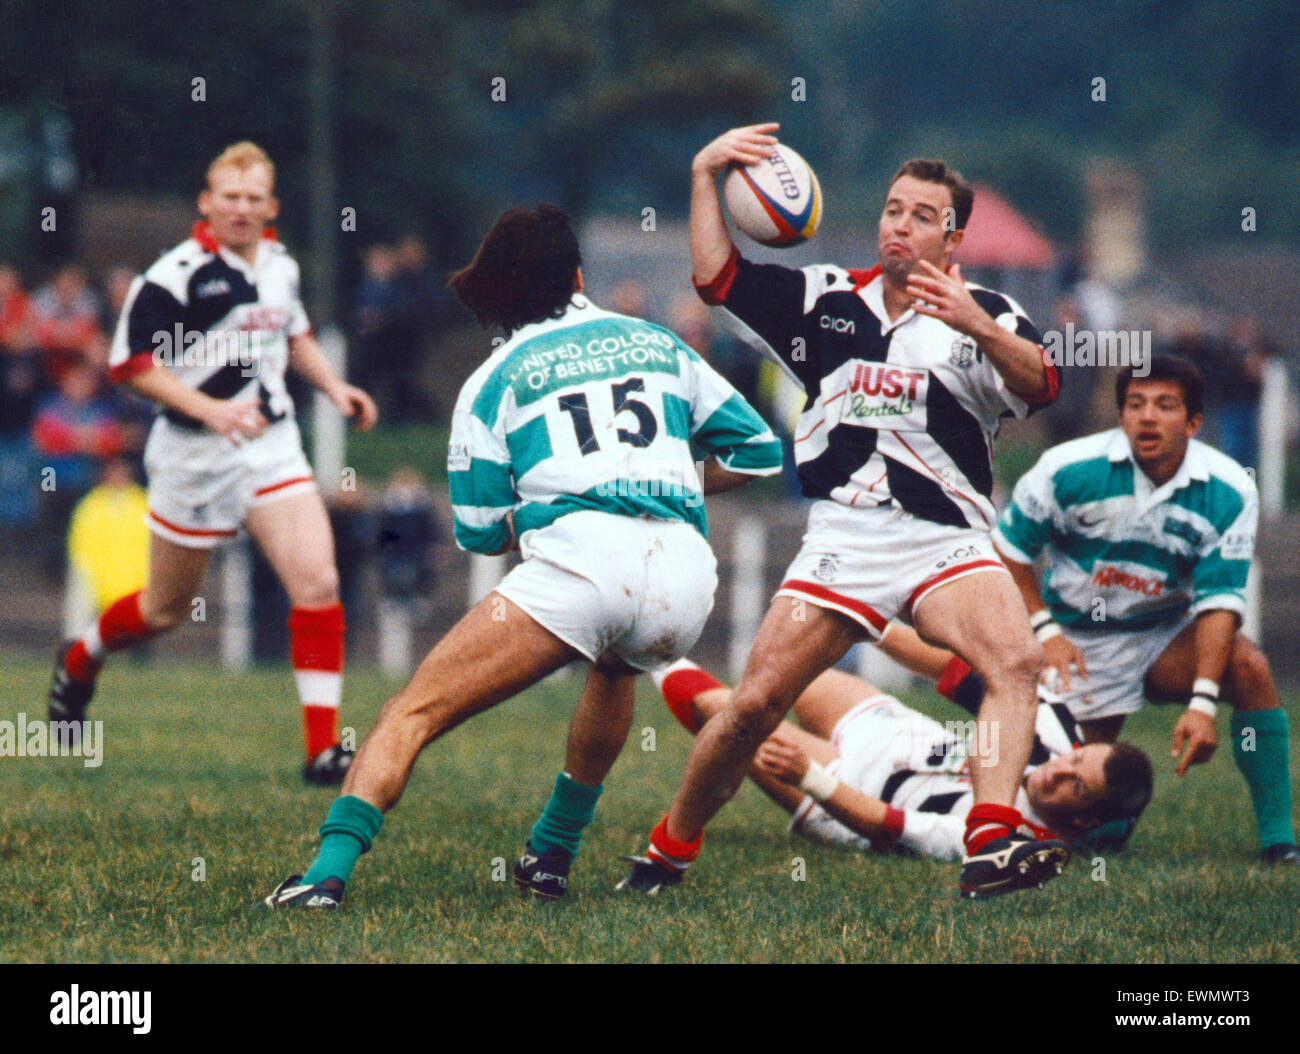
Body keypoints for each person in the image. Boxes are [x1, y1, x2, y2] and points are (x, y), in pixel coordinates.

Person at [264, 203, 782, 908]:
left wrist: (552, 507)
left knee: (409, 715)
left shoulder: (494, 376)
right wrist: (665, 483)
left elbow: (479, 532)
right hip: (687, 580)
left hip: (585, 566)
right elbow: (758, 453)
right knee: (615, 668)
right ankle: (550, 857)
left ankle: (325, 874)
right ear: (576, 275)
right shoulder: (659, 343)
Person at [621, 124, 1066, 900]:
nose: (900, 224)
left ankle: (989, 840)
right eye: (893, 210)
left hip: (947, 540)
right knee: (755, 704)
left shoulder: (987, 312)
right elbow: (716, 277)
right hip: (846, 541)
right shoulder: (822, 299)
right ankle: (669, 848)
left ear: (953, 238)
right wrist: (704, 173)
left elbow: (1041, 385)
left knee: (1016, 662)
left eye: (922, 216)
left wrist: (977, 326)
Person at [48, 141, 378, 785]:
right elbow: (130, 366)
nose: (241, 208)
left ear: (271, 207)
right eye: (230, 196)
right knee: (164, 609)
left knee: (318, 582)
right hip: (192, 456)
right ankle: (81, 657)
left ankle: (321, 752)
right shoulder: (175, 275)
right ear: (206, 202)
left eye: (254, 198)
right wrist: (211, 409)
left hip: (271, 446)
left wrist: (333, 387)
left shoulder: (280, 264)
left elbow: (295, 333)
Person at [993, 355, 1299, 864]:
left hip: (1163, 635)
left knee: (1249, 667)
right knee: (1068, 802)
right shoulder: (1067, 468)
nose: (1147, 417)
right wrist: (1045, 630)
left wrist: (1201, 702)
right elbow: (1009, 551)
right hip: (1075, 640)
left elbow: (1220, 601)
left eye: (1164, 405)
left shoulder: (1229, 488)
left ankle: (1277, 837)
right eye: (1135, 404)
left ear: (1194, 422)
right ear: (1120, 416)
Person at [649, 623, 1153, 866]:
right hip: (894, 731)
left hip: (850, 788)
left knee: (723, 711)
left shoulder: (1012, 844)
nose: (1058, 770)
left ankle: (646, 651)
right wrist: (872, 620)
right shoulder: (1053, 728)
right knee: (788, 668)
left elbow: (886, 825)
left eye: (1074, 787)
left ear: (1082, 821)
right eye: (1076, 759)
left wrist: (809, 775)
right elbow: (948, 667)